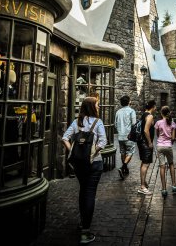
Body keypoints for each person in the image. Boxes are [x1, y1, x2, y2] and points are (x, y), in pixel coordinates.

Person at [62, 97, 107, 244]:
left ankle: (83, 222)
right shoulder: (97, 122)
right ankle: (85, 231)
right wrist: (93, 154)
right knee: (89, 193)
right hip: (94, 164)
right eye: (97, 105)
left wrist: (73, 152)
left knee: (83, 190)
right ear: (92, 107)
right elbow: (103, 141)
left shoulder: (77, 122)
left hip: (79, 164)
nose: (99, 107)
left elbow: (65, 138)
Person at [155, 106, 176, 197]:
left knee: (162, 167)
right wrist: (170, 143)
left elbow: (157, 135)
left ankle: (163, 189)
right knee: (171, 164)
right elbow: (173, 138)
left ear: (161, 113)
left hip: (160, 146)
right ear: (169, 112)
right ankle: (174, 186)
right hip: (168, 146)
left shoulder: (158, 123)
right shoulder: (172, 123)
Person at [114, 95, 137, 179]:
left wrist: (120, 131)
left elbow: (115, 124)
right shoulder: (131, 111)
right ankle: (123, 167)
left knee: (123, 152)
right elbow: (134, 124)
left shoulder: (118, 112)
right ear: (129, 102)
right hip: (129, 136)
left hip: (120, 136)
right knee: (130, 152)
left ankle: (125, 169)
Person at [137, 99, 156, 195]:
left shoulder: (144, 114)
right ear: (153, 107)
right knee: (146, 164)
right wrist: (150, 143)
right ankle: (142, 187)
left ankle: (143, 182)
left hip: (141, 142)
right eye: (155, 106)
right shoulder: (150, 116)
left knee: (144, 162)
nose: (156, 108)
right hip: (145, 143)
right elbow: (145, 130)